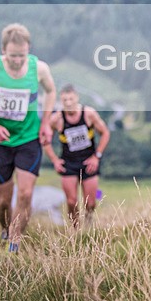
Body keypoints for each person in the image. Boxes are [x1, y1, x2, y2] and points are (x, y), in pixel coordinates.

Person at [0, 23, 56, 253]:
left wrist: (45, 122)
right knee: (4, 201)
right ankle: (6, 229)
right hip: (0, 141)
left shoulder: (40, 68)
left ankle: (14, 244)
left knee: (26, 194)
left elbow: (51, 91)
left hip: (29, 138)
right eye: (13, 56)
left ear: (29, 49)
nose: (18, 61)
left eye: (22, 55)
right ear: (3, 50)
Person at [44, 84, 110, 228]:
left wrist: (96, 156)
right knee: (71, 201)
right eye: (64, 100)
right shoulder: (57, 118)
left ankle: (88, 224)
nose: (68, 103)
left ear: (77, 98)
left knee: (90, 203)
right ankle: (75, 230)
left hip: (88, 162)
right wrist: (54, 160)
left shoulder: (89, 114)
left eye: (71, 99)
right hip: (69, 163)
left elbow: (105, 133)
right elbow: (44, 138)